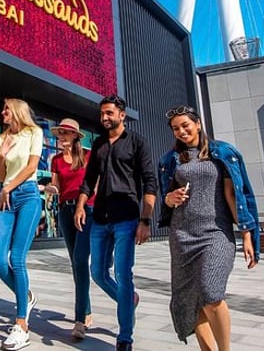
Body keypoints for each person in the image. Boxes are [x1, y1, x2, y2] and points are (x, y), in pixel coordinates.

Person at [159, 105, 260, 350]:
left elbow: (233, 195)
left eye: (185, 125)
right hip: (182, 235)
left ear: (198, 124)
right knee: (189, 299)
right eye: (176, 129)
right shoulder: (170, 160)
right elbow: (166, 198)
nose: (181, 132)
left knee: (211, 292)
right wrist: (168, 199)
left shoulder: (223, 152)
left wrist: (247, 234)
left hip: (216, 234)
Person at [74, 95, 157, 351]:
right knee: (98, 273)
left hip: (126, 219)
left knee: (123, 274)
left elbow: (150, 181)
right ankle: (129, 300)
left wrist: (145, 220)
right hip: (100, 218)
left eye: (109, 113)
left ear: (122, 115)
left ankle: (125, 337)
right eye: (102, 113)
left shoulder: (137, 142)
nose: (104, 118)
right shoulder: (98, 143)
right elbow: (89, 180)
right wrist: (80, 205)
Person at [0, 98, 43, 351]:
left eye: (6, 109)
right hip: (7, 198)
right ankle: (27, 295)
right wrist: (1, 157)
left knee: (17, 259)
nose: (3, 113)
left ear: (18, 112)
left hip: (28, 195)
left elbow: (32, 166)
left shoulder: (34, 132)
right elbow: (1, 175)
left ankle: (21, 325)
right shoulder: (0, 140)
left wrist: (8, 188)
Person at [48, 118, 93, 339]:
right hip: (66, 210)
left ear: (75, 135)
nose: (61, 137)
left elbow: (95, 183)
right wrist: (50, 188)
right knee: (76, 262)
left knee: (80, 260)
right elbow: (56, 184)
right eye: (59, 133)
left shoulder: (88, 156)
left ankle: (79, 320)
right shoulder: (56, 160)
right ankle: (86, 309)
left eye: (65, 133)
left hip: (86, 210)